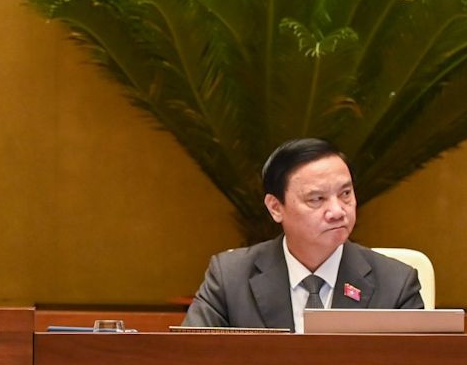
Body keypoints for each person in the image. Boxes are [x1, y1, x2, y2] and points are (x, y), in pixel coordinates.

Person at [181, 138, 424, 330]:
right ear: (276, 207)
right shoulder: (230, 278)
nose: (338, 211)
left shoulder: (396, 284)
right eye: (317, 199)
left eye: (345, 194)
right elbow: (189, 363)